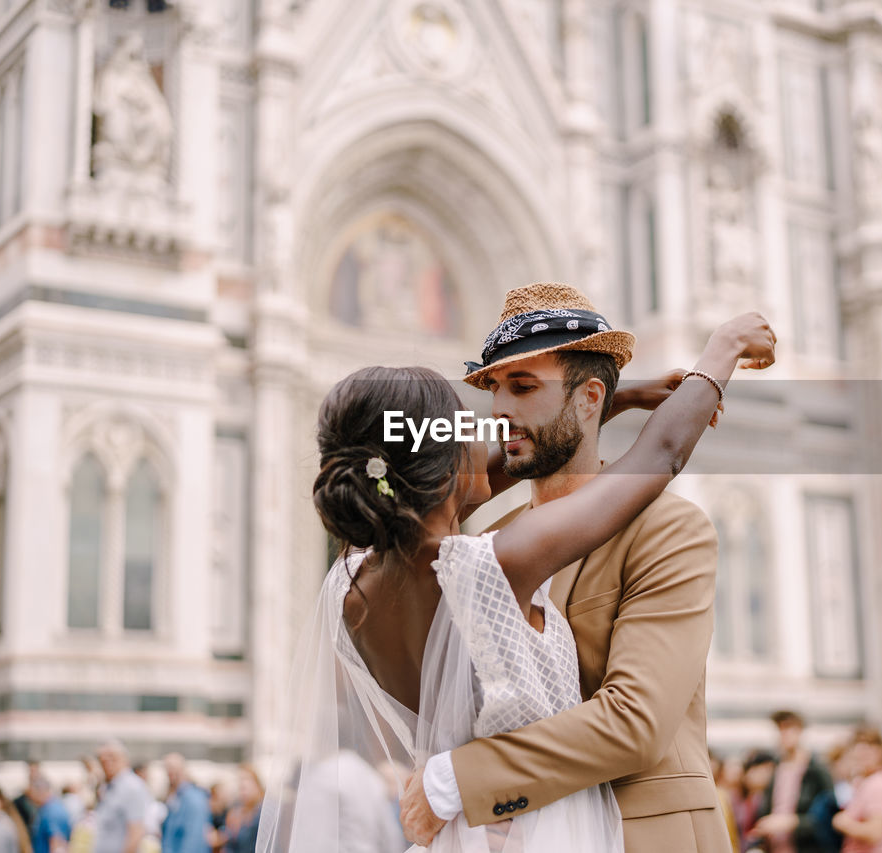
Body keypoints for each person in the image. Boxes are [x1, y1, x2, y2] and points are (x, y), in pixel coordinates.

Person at [259, 289, 776, 853]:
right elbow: (662, 454)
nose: (494, 421)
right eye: (476, 414)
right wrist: (719, 352)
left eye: (522, 387)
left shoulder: (352, 586)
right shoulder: (490, 558)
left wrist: (611, 401)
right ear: (444, 467)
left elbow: (640, 722)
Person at [750, 710, 835, 853]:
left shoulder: (817, 769)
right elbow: (766, 808)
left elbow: (829, 816)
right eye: (781, 729)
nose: (785, 734)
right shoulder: (776, 767)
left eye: (789, 728)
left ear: (800, 730)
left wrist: (793, 822)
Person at [833, 725, 882, 853]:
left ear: (881, 751)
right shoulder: (869, 781)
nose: (862, 751)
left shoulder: (877, 784)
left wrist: (842, 822)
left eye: (869, 746)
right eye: (858, 745)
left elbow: (875, 832)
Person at [92, 742, 152, 853]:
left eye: (112, 758)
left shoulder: (132, 787)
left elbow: (136, 832)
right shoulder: (109, 788)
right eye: (102, 760)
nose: (106, 764)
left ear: (124, 759)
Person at [160, 756, 209, 853]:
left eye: (173, 769)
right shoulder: (176, 797)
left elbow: (193, 838)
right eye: (168, 770)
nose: (170, 773)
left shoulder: (194, 798)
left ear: (182, 770)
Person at [26, 778, 71, 853]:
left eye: (31, 793)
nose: (30, 798)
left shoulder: (52, 811)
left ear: (40, 792)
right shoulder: (47, 808)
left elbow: (57, 842)